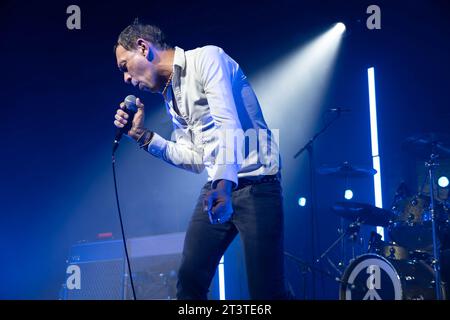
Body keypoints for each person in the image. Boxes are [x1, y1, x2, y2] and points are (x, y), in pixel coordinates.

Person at [113, 20, 289, 300]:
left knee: (267, 293)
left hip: (257, 185)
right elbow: (195, 158)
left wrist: (222, 183)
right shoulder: (171, 96)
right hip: (217, 186)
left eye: (124, 66)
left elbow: (226, 122)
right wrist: (144, 137)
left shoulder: (208, 58)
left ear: (143, 47)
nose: (125, 78)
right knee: (190, 280)